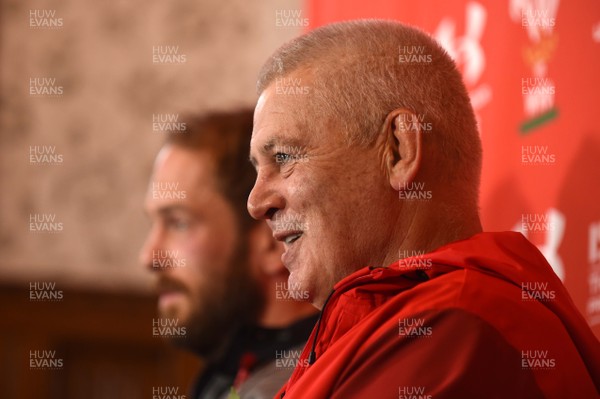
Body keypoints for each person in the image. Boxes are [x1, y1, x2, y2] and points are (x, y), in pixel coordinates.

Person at [247, 20, 600, 398]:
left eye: (283, 157)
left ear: (399, 150)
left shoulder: (459, 330)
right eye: (256, 169)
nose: (256, 203)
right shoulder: (389, 327)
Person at [140, 110, 318, 399]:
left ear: (273, 240)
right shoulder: (239, 371)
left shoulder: (300, 387)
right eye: (153, 224)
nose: (149, 257)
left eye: (178, 223)